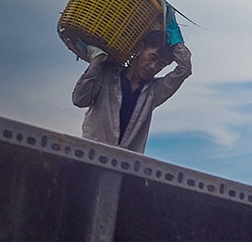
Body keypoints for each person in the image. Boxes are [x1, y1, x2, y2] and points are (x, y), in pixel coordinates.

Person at [72, 12, 191, 152]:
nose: (153, 67)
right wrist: (96, 62)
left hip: (124, 167)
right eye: (152, 57)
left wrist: (175, 38)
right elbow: (80, 100)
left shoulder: (154, 92)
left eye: (161, 64)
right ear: (141, 49)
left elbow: (185, 69)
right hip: (90, 156)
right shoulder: (107, 75)